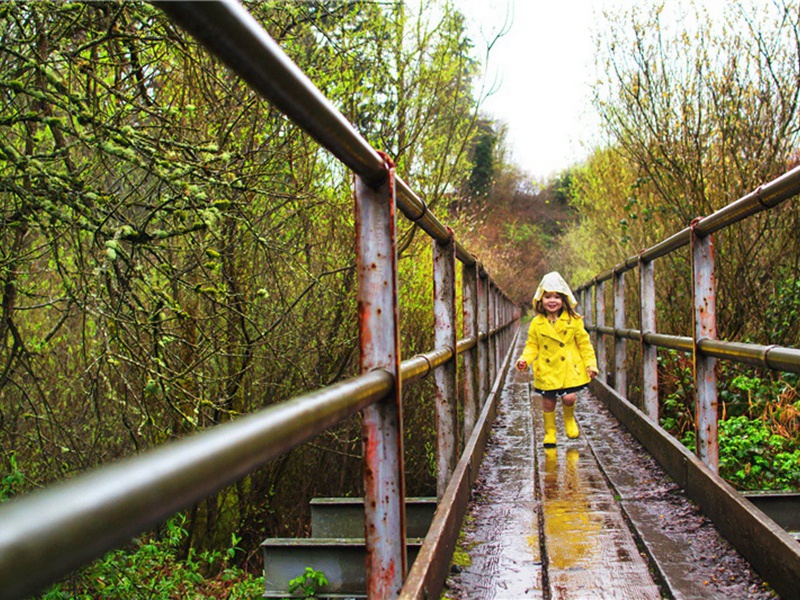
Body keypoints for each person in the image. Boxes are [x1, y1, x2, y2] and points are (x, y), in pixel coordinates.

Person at [515, 272, 598, 447]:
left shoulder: (574, 321)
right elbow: (532, 345)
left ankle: (569, 419)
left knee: (569, 398)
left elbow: (584, 343)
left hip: (569, 366)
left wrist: (591, 364)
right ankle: (550, 432)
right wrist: (525, 359)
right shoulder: (536, 323)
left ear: (564, 300)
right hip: (547, 368)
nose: (552, 301)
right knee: (548, 402)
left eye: (557, 297)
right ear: (540, 300)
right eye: (547, 297)